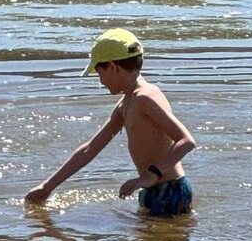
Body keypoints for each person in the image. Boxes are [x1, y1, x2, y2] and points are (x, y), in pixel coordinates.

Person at [25, 28, 196, 216]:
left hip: (170, 192)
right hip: (153, 191)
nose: (101, 81)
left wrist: (151, 175)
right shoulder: (126, 103)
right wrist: (47, 187)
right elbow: (90, 149)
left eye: (100, 73)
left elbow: (186, 141)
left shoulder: (145, 98)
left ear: (113, 67)